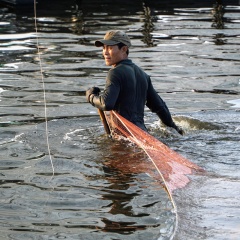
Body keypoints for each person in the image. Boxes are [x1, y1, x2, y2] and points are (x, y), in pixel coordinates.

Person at [86, 30, 183, 134]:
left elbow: (106, 104)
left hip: (125, 135)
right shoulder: (143, 75)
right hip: (142, 133)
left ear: (124, 49)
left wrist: (91, 96)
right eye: (104, 48)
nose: (105, 52)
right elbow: (160, 107)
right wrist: (175, 128)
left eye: (110, 48)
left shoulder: (115, 72)